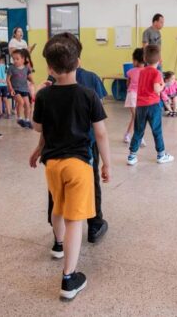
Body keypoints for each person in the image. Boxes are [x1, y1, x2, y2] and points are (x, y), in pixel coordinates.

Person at [28, 32, 112, 301]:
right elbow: (101, 134)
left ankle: (58, 243)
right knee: (75, 219)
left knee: (58, 207)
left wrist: (38, 99)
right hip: (79, 165)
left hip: (52, 164)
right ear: (78, 63)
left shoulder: (44, 95)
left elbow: (37, 126)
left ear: (49, 68)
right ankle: (69, 278)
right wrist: (107, 164)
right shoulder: (88, 95)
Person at [41, 36, 110, 245]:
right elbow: (100, 122)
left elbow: (43, 123)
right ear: (78, 57)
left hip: (55, 147)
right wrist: (107, 162)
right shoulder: (91, 79)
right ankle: (94, 224)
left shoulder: (52, 81)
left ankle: (58, 237)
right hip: (85, 146)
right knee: (90, 183)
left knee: (57, 189)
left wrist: (39, 147)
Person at [127, 44, 174, 166]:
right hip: (153, 106)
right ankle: (161, 155)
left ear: (145, 59)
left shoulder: (142, 72)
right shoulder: (157, 73)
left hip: (140, 106)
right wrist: (163, 85)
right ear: (159, 60)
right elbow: (156, 89)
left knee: (138, 131)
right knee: (156, 130)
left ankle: (132, 156)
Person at [7, 49, 34, 129]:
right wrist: (11, 89)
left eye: (17, 59)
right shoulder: (11, 68)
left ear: (23, 59)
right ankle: (19, 118)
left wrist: (32, 82)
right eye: (13, 59)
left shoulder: (26, 68)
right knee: (21, 102)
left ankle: (27, 120)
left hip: (24, 89)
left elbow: (29, 77)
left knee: (27, 105)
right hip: (15, 89)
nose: (15, 61)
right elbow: (8, 80)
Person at [124, 48, 145, 142]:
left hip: (134, 95)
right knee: (137, 117)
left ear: (136, 61)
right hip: (135, 96)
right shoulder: (146, 71)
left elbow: (127, 84)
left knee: (135, 117)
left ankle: (128, 135)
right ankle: (138, 136)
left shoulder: (131, 71)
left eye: (133, 60)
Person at [0, 51, 11, 119]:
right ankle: (8, 113)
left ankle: (0, 113)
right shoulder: (7, 66)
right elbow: (9, 75)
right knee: (5, 99)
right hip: (5, 85)